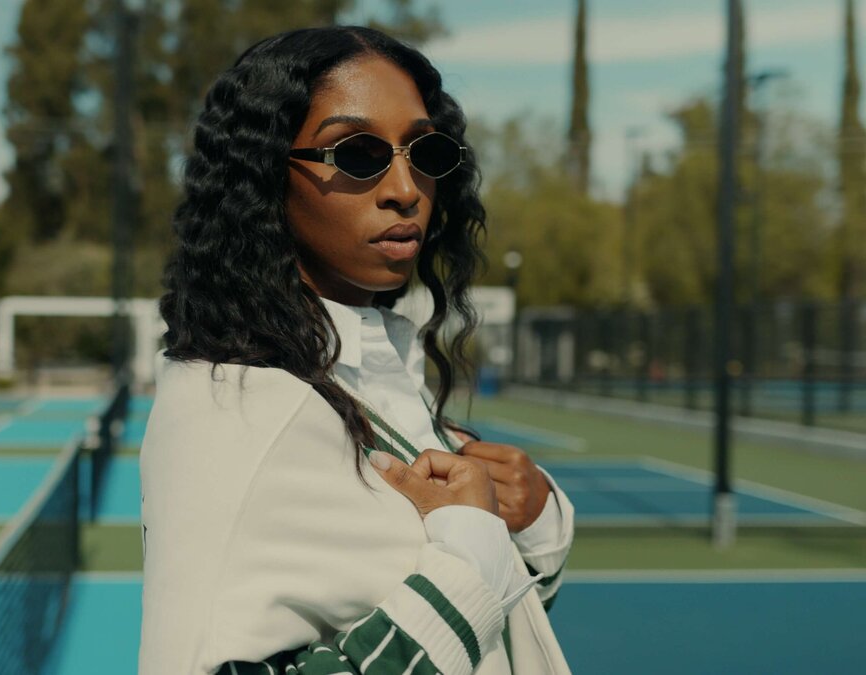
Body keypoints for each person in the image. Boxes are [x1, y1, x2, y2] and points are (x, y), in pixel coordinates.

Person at [139, 26, 574, 675]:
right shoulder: (235, 409)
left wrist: (533, 520)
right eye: (358, 154)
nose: (405, 187)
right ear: (265, 176)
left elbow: (484, 633)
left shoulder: (362, 367)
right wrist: (471, 554)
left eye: (424, 151)